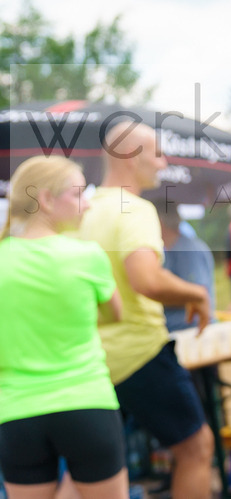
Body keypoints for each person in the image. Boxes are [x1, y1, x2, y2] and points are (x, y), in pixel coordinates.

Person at [77, 120, 214, 498]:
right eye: (155, 151)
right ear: (129, 157)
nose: (162, 161)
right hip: (139, 352)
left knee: (95, 471)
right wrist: (195, 293)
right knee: (196, 448)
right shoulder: (134, 209)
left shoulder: (80, 212)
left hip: (92, 360)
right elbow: (146, 279)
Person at [0, 156, 128, 499]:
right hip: (87, 405)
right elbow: (116, 314)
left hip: (17, 413)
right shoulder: (87, 255)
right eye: (77, 194)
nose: (86, 204)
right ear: (45, 199)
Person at [157, 202, 216, 333]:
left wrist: (153, 296)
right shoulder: (174, 249)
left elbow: (199, 292)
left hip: (190, 332)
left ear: (159, 222)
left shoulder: (187, 251)